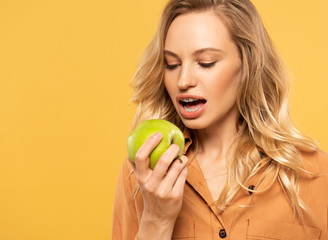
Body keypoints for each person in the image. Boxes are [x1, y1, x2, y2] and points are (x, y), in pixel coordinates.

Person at [112, 0, 328, 239]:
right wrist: (156, 221)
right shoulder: (142, 174)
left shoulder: (317, 174)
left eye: (206, 63)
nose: (183, 81)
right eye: (171, 64)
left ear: (248, 65)